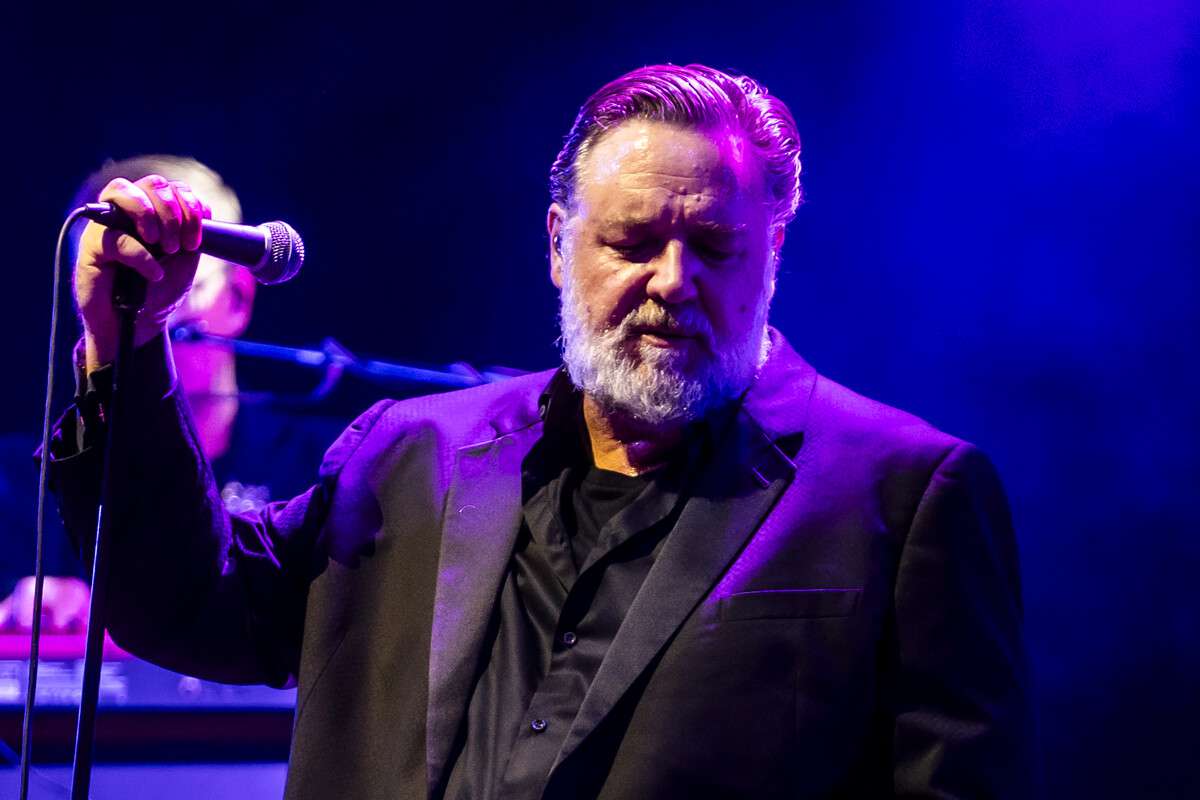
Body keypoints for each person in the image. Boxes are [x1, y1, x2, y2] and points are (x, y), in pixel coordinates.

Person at [43, 65, 1033, 798]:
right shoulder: (408, 453)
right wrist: (127, 344)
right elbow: (184, 602)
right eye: (632, 241)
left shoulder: (903, 494)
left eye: (715, 245)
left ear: (772, 251)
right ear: (559, 246)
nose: (674, 280)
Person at [1, 155, 339, 632]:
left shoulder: (324, 463)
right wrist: (14, 608)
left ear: (238, 299)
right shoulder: (20, 481)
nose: (149, 308)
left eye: (180, 284)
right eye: (119, 286)